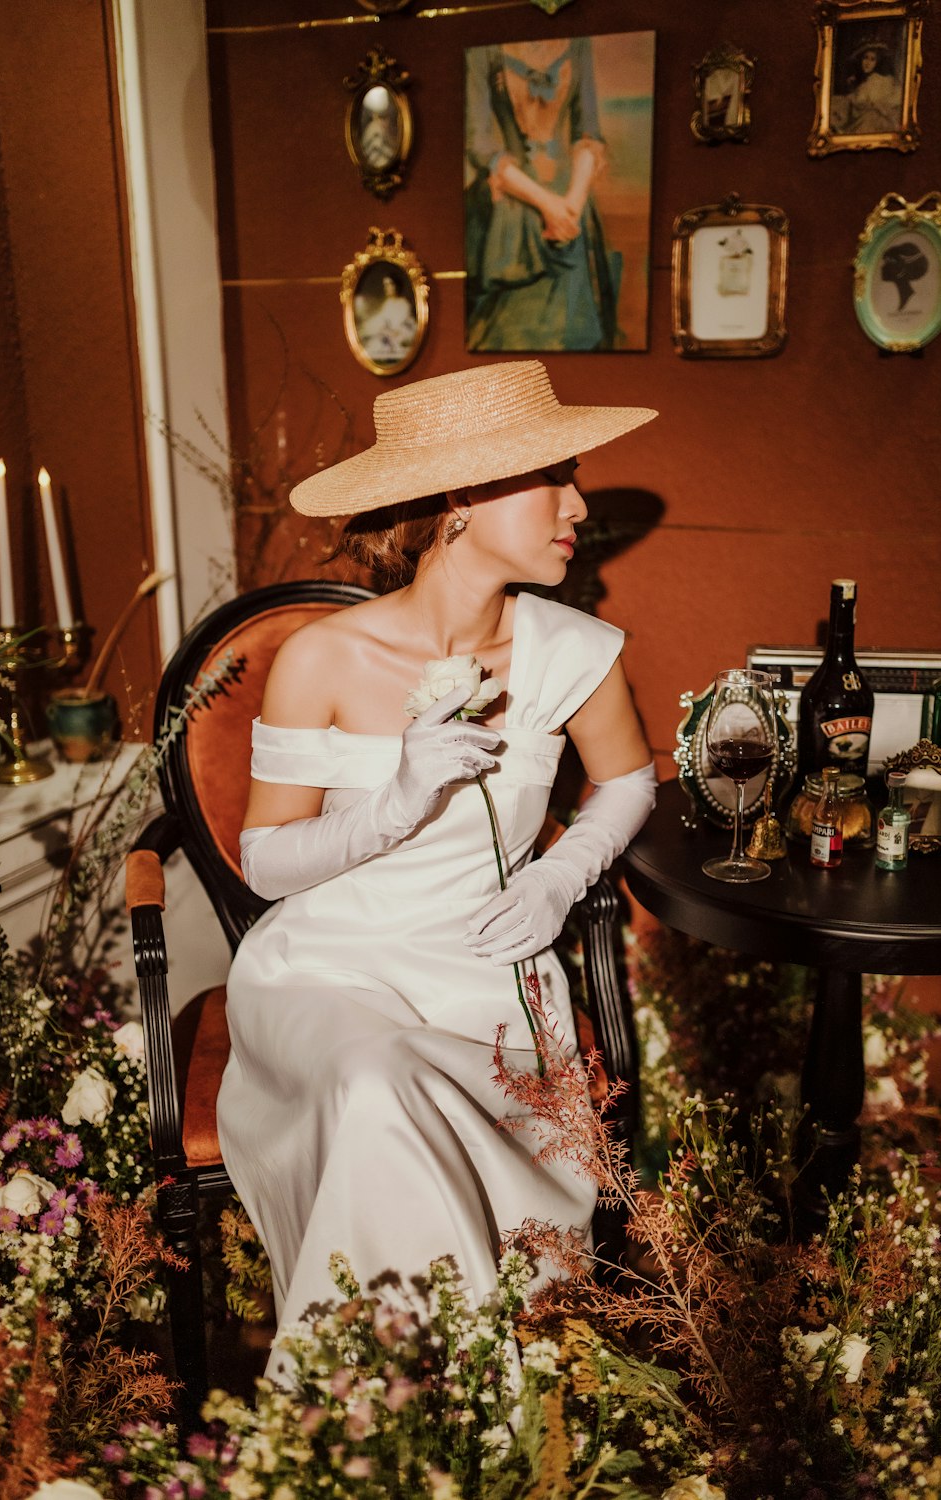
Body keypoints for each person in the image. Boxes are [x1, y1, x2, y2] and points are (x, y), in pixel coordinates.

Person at [216, 361, 658, 1381]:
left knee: (395, 1084)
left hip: (482, 978)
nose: (578, 505)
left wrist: (557, 879)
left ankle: (424, 1420)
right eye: (551, 476)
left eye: (572, 475)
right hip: (325, 970)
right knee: (372, 1078)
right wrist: (392, 805)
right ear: (461, 501)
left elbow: (627, 783)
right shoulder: (321, 658)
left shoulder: (573, 653)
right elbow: (266, 865)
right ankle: (387, 1412)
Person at [465, 38, 621, 352]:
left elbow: (587, 129)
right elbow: (479, 144)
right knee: (504, 338)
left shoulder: (578, 45)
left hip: (571, 202)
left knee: (576, 335)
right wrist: (547, 204)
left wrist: (571, 208)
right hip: (510, 205)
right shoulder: (484, 50)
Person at [831, 39, 902, 135]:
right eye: (865, 58)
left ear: (878, 62)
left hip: (879, 119)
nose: (867, 62)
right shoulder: (864, 80)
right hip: (864, 115)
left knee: (868, 118)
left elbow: (866, 102)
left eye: (872, 59)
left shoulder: (879, 80)